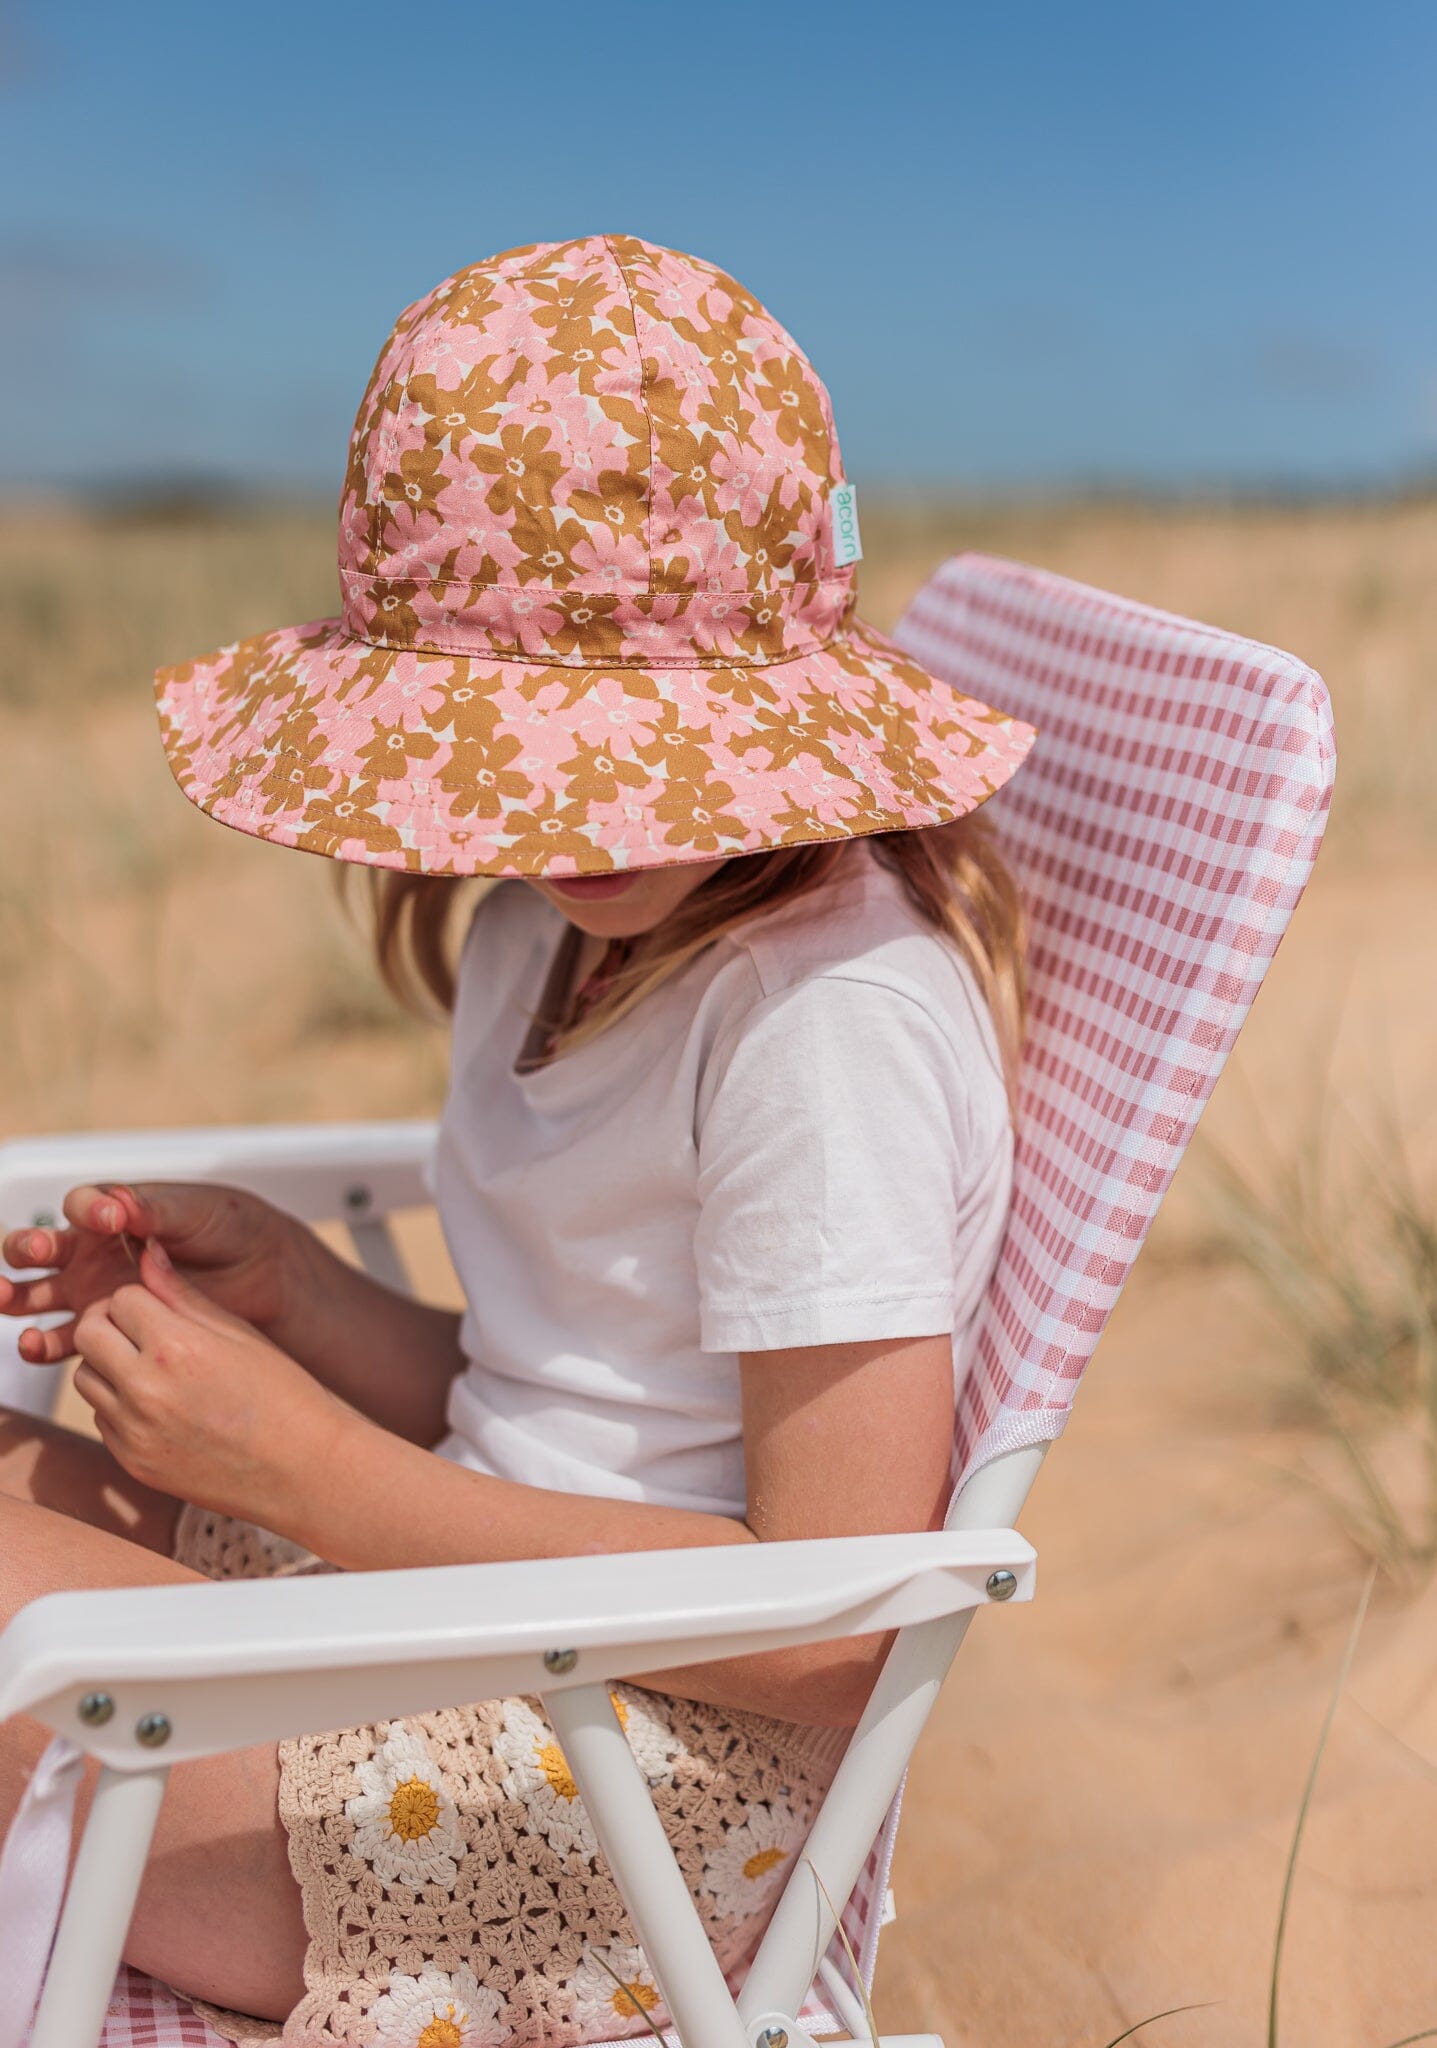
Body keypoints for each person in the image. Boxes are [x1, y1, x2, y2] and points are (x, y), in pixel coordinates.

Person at [0, 235, 1035, 2046]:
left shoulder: (818, 1029)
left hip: (615, 1797)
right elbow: (563, 1397)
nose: (573, 810)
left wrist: (306, 1471)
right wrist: (304, 1309)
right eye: (527, 750)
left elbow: (828, 1624)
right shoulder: (554, 933)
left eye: (629, 746)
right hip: (471, 1635)